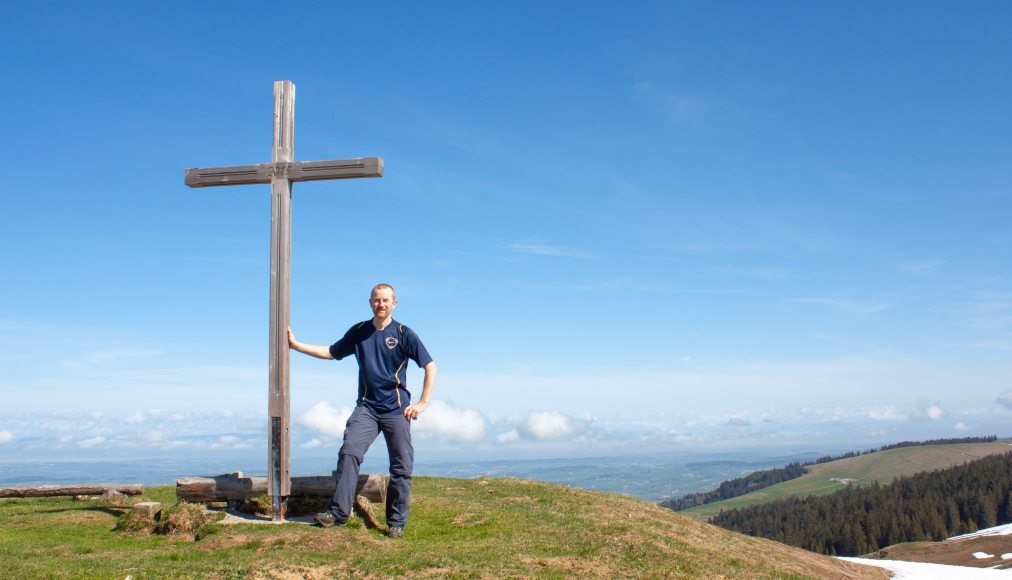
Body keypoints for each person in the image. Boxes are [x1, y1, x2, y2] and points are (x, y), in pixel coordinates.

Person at [288, 283, 436, 538]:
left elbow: (430, 366)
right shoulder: (359, 331)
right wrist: (295, 345)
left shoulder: (404, 333)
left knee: (401, 467)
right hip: (366, 407)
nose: (381, 304)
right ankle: (338, 513)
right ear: (370, 302)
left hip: (396, 410)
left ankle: (396, 523)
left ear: (394, 304)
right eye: (377, 300)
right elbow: (331, 352)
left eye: (386, 300)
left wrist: (423, 403)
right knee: (349, 452)